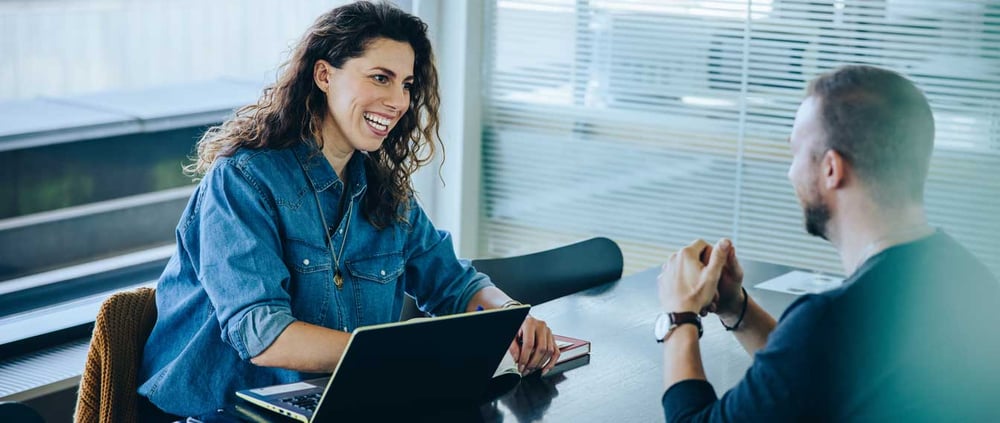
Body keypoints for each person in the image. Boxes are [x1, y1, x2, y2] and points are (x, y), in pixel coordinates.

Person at [137, 2, 559, 418]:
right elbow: (263, 335)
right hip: (229, 413)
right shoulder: (244, 180)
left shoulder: (385, 191)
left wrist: (509, 317)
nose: (398, 102)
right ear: (324, 75)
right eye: (381, 78)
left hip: (345, 401)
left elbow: (454, 284)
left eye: (407, 85)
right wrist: (394, 357)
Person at [655, 65, 1000, 421]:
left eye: (795, 154)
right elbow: (818, 373)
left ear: (832, 169)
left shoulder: (833, 320)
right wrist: (735, 306)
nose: (790, 172)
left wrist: (679, 316)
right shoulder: (969, 279)